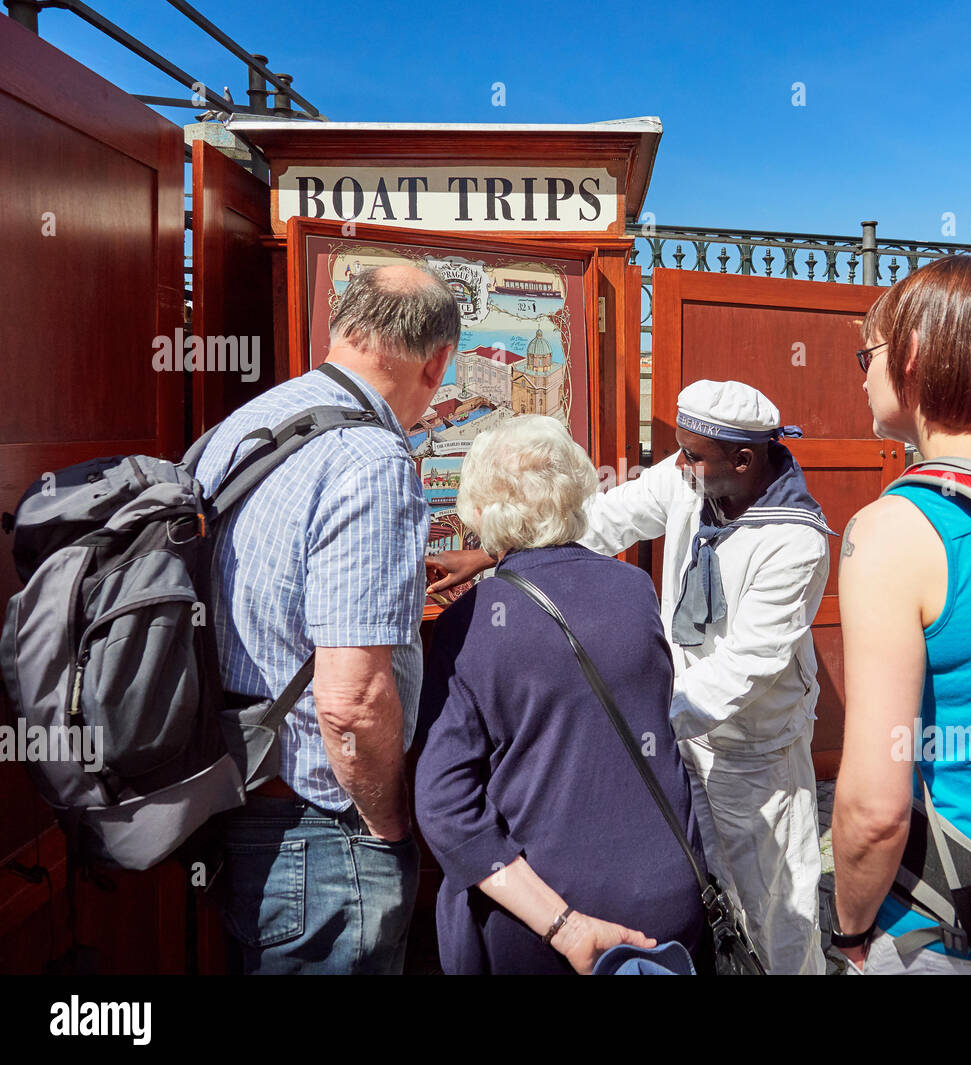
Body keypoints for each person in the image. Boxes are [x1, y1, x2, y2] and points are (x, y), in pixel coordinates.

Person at [429, 381, 833, 975]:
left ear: (742, 460)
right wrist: (496, 553)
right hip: (676, 741)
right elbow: (603, 521)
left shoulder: (794, 540)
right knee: (711, 900)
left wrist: (636, 719)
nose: (678, 464)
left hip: (752, 754)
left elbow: (743, 671)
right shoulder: (692, 476)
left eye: (692, 454)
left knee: (777, 911)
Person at [193, 263, 460, 974]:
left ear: (344, 329)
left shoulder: (249, 422)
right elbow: (352, 701)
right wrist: (385, 824)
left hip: (240, 793)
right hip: (324, 828)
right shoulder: (369, 458)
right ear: (435, 364)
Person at [412, 415, 706, 975]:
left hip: (549, 925)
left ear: (477, 511)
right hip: (667, 899)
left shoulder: (471, 624)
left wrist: (562, 925)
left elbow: (446, 809)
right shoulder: (632, 590)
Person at [831, 255, 971, 974]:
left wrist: (848, 933)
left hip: (964, 915)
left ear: (915, 357)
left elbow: (874, 810)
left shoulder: (895, 527)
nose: (861, 372)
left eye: (866, 353)